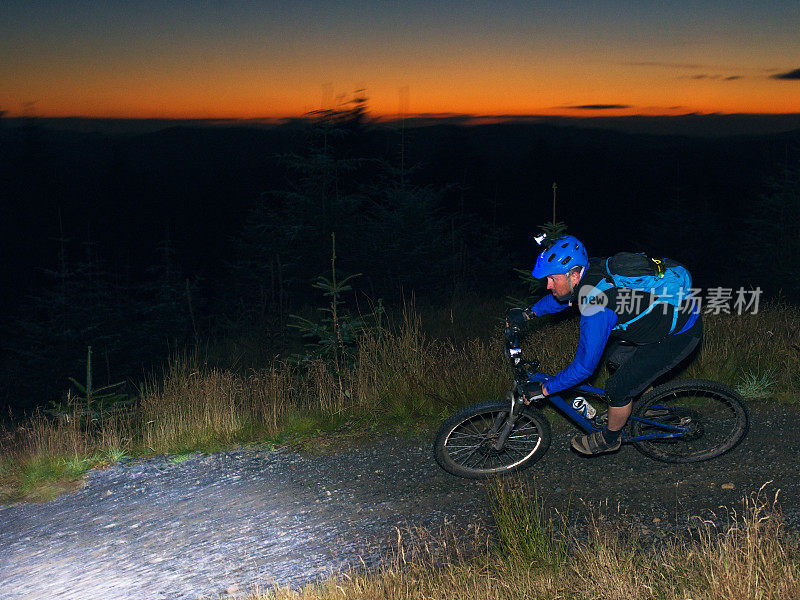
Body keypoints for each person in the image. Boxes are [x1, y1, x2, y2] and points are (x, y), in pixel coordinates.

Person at [506, 235, 701, 455]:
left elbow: (584, 368)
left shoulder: (596, 308)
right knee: (617, 360)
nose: (548, 285)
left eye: (552, 278)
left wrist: (544, 390)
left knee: (617, 388)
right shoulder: (591, 270)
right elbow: (561, 297)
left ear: (574, 274)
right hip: (656, 323)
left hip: (678, 334)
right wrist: (529, 314)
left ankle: (610, 439)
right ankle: (651, 408)